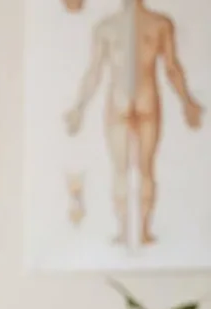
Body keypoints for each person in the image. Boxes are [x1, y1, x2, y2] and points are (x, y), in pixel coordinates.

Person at [64, 0, 202, 247]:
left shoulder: (112, 26)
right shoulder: (153, 24)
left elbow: (171, 68)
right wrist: (78, 108)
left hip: (127, 101)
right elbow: (171, 68)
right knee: (140, 168)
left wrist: (187, 101)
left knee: (132, 169)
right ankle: (136, 231)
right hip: (143, 99)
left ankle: (133, 230)